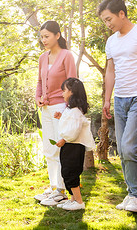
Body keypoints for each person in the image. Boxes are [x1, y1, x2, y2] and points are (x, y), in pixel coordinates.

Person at [98, 0, 137, 213]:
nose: (108, 24)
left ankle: (136, 196)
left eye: (109, 19)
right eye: (104, 21)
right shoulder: (111, 41)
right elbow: (111, 71)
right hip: (120, 99)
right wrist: (107, 99)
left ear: (121, 13)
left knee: (130, 148)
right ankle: (131, 193)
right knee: (123, 148)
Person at [34, 21, 77, 206]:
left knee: (60, 149)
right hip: (45, 108)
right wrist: (38, 97)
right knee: (49, 149)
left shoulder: (67, 56)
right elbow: (38, 82)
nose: (43, 40)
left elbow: (73, 83)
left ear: (57, 35)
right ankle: (54, 187)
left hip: (61, 108)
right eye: (42, 36)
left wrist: (68, 108)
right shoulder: (43, 58)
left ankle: (61, 190)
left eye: (47, 36)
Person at [54, 78, 95, 211]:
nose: (62, 93)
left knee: (70, 172)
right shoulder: (71, 110)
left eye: (64, 90)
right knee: (67, 171)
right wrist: (61, 117)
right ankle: (73, 200)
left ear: (71, 92)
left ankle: (79, 201)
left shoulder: (75, 111)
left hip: (73, 145)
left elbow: (73, 131)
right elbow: (70, 124)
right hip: (71, 146)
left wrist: (64, 140)